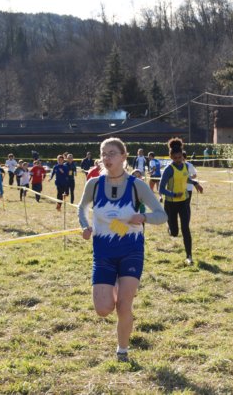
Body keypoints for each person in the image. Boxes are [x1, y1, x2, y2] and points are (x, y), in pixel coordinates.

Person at [78, 137, 167, 363]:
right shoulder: (94, 184)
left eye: (112, 153)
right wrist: (85, 226)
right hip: (103, 253)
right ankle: (116, 284)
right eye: (103, 154)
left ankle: (123, 350)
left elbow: (161, 215)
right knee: (103, 309)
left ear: (123, 156)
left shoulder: (137, 185)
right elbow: (82, 207)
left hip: (131, 250)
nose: (106, 158)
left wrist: (143, 217)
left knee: (124, 305)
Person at [159, 138, 204, 266]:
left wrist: (195, 183)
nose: (178, 160)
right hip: (171, 204)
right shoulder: (168, 170)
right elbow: (161, 189)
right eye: (175, 158)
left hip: (184, 202)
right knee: (174, 233)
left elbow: (186, 178)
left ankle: (189, 256)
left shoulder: (185, 166)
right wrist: (173, 194)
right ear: (171, 157)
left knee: (186, 228)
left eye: (180, 157)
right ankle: (170, 227)